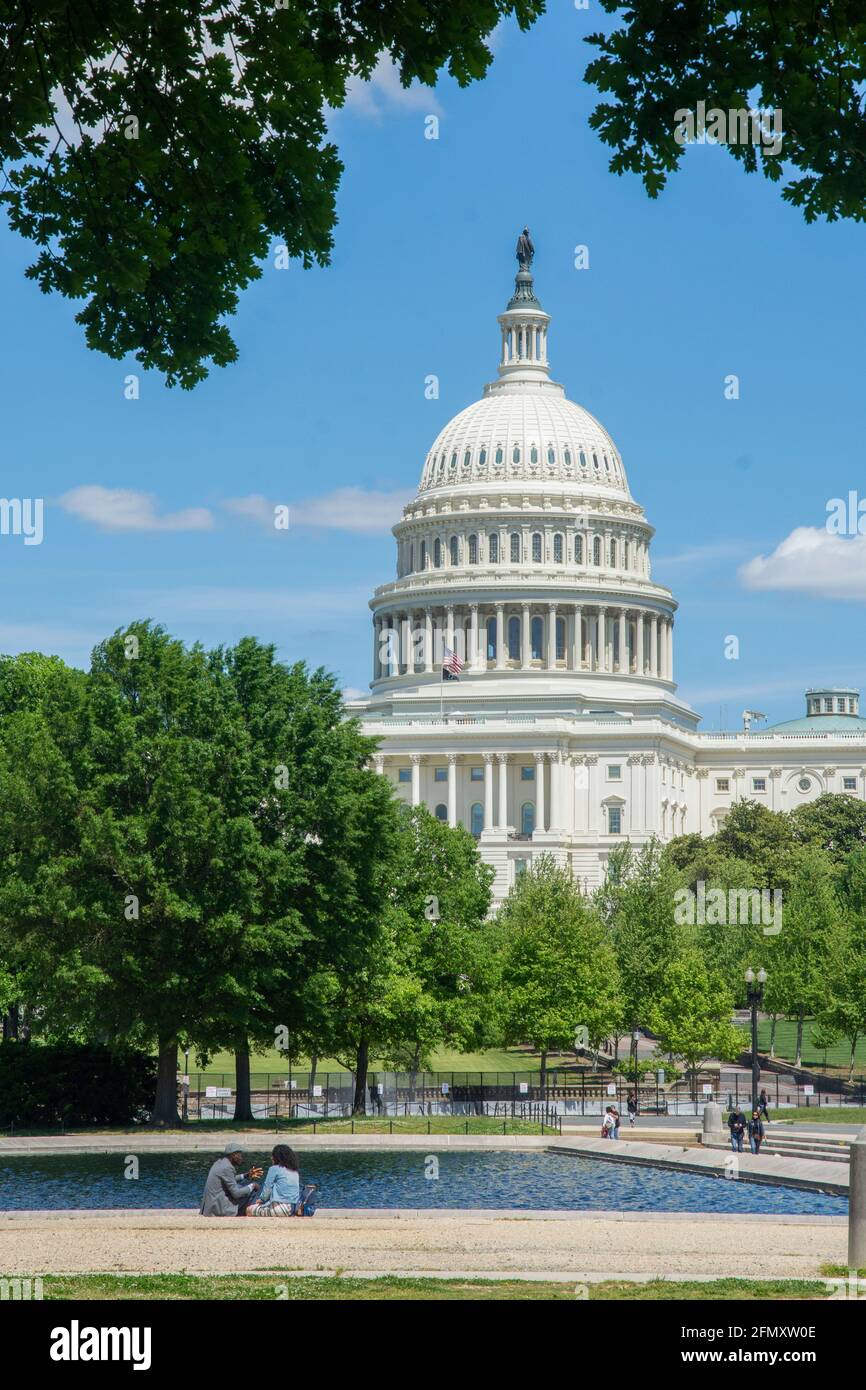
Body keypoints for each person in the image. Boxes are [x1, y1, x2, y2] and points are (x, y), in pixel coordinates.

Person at [200, 1143, 263, 1217]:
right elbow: (236, 1194)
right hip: (218, 1209)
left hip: (211, 1207)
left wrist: (247, 1175)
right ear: (233, 1155)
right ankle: (244, 1212)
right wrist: (253, 1185)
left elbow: (229, 1179)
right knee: (250, 1189)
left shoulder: (219, 1163)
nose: (241, 1158)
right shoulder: (227, 1167)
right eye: (240, 1155)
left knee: (240, 1186)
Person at [247, 1144, 302, 1216]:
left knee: (249, 1209)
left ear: (277, 1157)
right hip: (292, 1208)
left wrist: (260, 1200)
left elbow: (266, 1191)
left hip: (279, 1208)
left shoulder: (274, 1169)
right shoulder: (295, 1172)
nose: (271, 1158)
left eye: (272, 1155)